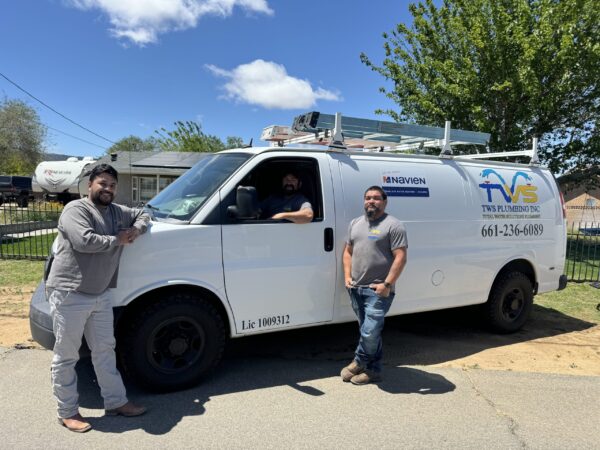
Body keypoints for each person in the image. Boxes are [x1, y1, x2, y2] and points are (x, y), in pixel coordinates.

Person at [46, 164, 150, 432]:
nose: (108, 189)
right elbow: (84, 241)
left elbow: (143, 214)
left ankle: (116, 402)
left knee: (105, 351)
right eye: (102, 183)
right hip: (70, 292)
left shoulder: (116, 211)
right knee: (67, 356)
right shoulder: (75, 209)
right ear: (90, 185)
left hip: (101, 294)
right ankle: (67, 412)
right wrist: (118, 239)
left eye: (112, 185)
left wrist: (136, 230)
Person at [341, 186, 408, 385]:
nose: (371, 201)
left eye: (376, 198)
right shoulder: (355, 223)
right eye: (368, 197)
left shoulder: (393, 225)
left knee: (369, 331)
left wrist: (387, 284)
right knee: (368, 330)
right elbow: (347, 252)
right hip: (356, 288)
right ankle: (373, 370)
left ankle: (359, 361)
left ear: (384, 202)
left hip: (378, 290)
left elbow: (401, 257)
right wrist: (347, 277)